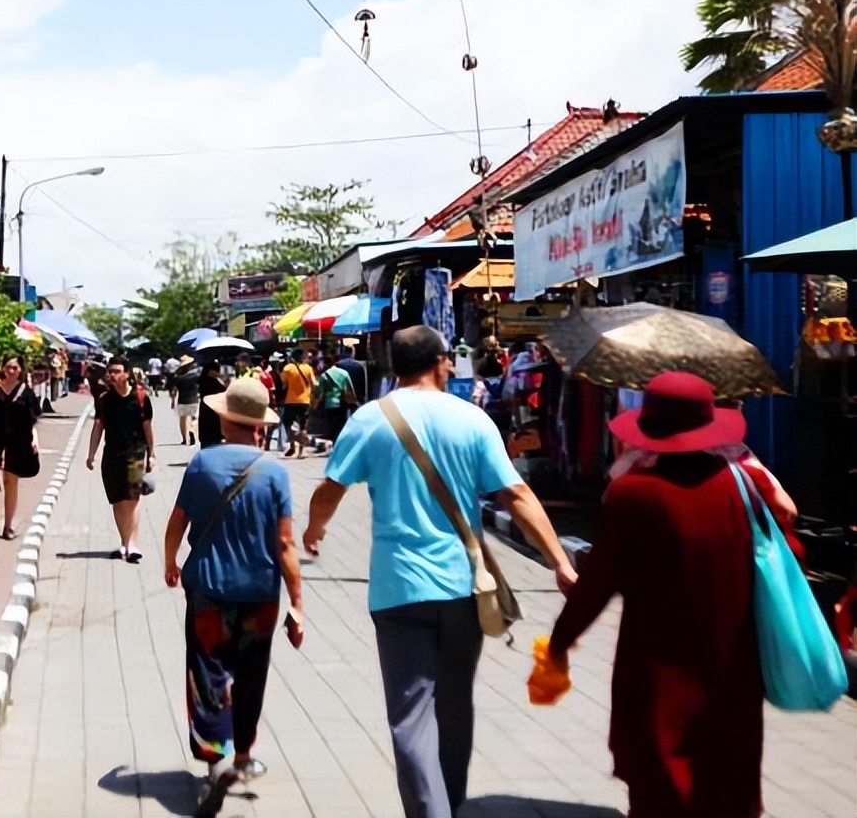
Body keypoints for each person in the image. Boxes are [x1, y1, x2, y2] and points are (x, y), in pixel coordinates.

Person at [304, 325, 577, 817]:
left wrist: (313, 531)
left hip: (398, 590)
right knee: (454, 708)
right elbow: (515, 495)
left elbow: (329, 490)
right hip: (463, 589)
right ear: (439, 362)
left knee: (411, 719)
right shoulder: (471, 420)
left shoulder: (369, 420)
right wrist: (559, 561)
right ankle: (450, 804)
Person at [543, 372, 788, 818]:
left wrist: (559, 643)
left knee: (661, 795)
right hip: (733, 674)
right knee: (727, 793)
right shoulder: (741, 487)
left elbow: (596, 586)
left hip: (657, 680)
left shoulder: (633, 494)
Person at [163, 377, 304, 817]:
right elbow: (285, 545)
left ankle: (211, 765)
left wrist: (170, 561)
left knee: (207, 674)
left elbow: (177, 523)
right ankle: (244, 756)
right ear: (259, 425)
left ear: (225, 419)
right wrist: (297, 602)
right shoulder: (275, 472)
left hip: (208, 590)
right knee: (251, 675)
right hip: (260, 594)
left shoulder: (202, 464)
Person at [86, 355, 156, 562]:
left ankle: (132, 545)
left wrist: (152, 454)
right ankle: (125, 543)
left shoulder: (141, 398)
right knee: (118, 501)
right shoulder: (105, 400)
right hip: (112, 454)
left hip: (135, 452)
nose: (112, 375)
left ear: (127, 373)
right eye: (110, 371)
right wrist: (91, 454)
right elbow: (98, 427)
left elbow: (148, 428)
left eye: (116, 371)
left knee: (132, 500)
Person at [0, 355, 42, 540]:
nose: (11, 371)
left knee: (11, 482)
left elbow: (33, 420)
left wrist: (34, 439)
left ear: (20, 370)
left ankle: (8, 526)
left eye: (15, 368)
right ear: (3, 368)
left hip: (17, 442)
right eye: (8, 367)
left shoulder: (26, 394)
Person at [279, 348, 315, 459]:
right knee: (303, 426)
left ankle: (293, 445)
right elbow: (314, 383)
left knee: (288, 424)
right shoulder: (308, 368)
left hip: (290, 401)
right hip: (305, 401)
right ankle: (301, 452)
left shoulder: (288, 368)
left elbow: (284, 383)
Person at [313, 360, 356, 445]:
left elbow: (319, 392)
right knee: (341, 424)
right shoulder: (344, 373)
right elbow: (349, 389)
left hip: (329, 404)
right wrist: (353, 400)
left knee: (331, 426)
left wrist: (314, 404)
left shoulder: (324, 376)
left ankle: (334, 443)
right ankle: (342, 443)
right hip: (342, 404)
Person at [171, 356, 202, 446]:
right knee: (194, 418)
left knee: (182, 420)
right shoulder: (196, 376)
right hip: (194, 400)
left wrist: (172, 402)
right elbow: (199, 387)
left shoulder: (178, 377)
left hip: (182, 400)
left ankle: (185, 439)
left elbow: (173, 392)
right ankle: (191, 429)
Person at [197, 360, 226, 448]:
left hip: (208, 410)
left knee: (208, 434)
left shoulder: (204, 380)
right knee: (212, 434)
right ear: (211, 371)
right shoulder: (209, 382)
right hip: (212, 410)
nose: (218, 372)